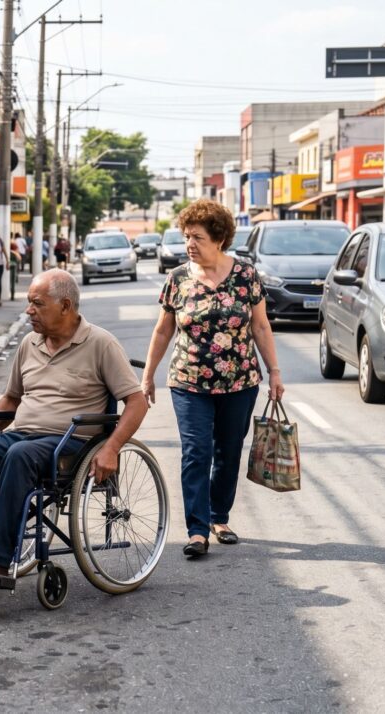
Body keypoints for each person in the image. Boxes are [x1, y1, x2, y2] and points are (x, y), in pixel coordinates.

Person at [0, 270, 149, 581]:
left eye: (37, 303)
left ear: (65, 306)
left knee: (21, 454)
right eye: (28, 303)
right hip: (21, 438)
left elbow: (137, 401)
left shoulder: (100, 344)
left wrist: (112, 448)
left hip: (69, 445)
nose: (29, 311)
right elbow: (11, 399)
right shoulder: (29, 343)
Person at [141, 199, 285, 559]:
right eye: (187, 236)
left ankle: (219, 516)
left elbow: (261, 326)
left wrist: (275, 372)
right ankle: (197, 529)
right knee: (196, 452)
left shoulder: (245, 275)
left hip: (240, 383)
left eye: (198, 237)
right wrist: (148, 375)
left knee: (228, 452)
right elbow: (163, 331)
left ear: (219, 239)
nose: (190, 244)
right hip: (189, 382)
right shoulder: (178, 279)